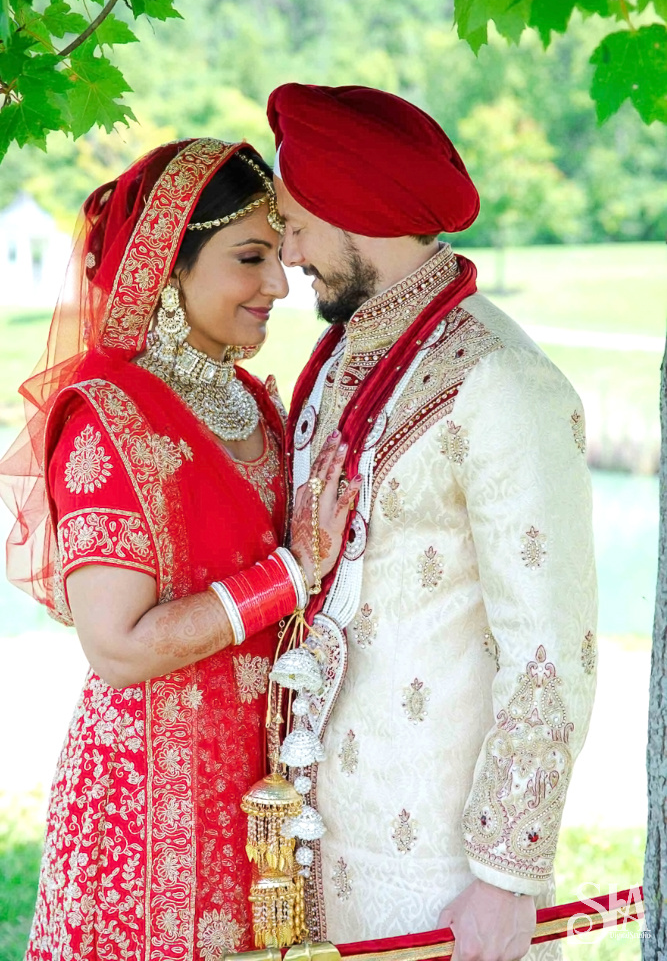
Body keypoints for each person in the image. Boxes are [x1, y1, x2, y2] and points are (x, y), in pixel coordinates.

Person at [0, 137, 359, 961]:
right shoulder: (110, 418)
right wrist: (292, 572)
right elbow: (118, 647)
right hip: (145, 806)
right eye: (249, 258)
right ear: (168, 265)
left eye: (278, 255)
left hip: (264, 795)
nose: (278, 285)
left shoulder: (252, 403)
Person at [267, 84, 597, 961]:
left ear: (356, 209)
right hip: (320, 846)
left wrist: (504, 879)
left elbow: (549, 648)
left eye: (297, 225)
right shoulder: (339, 356)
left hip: (438, 871)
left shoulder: (501, 381)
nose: (288, 253)